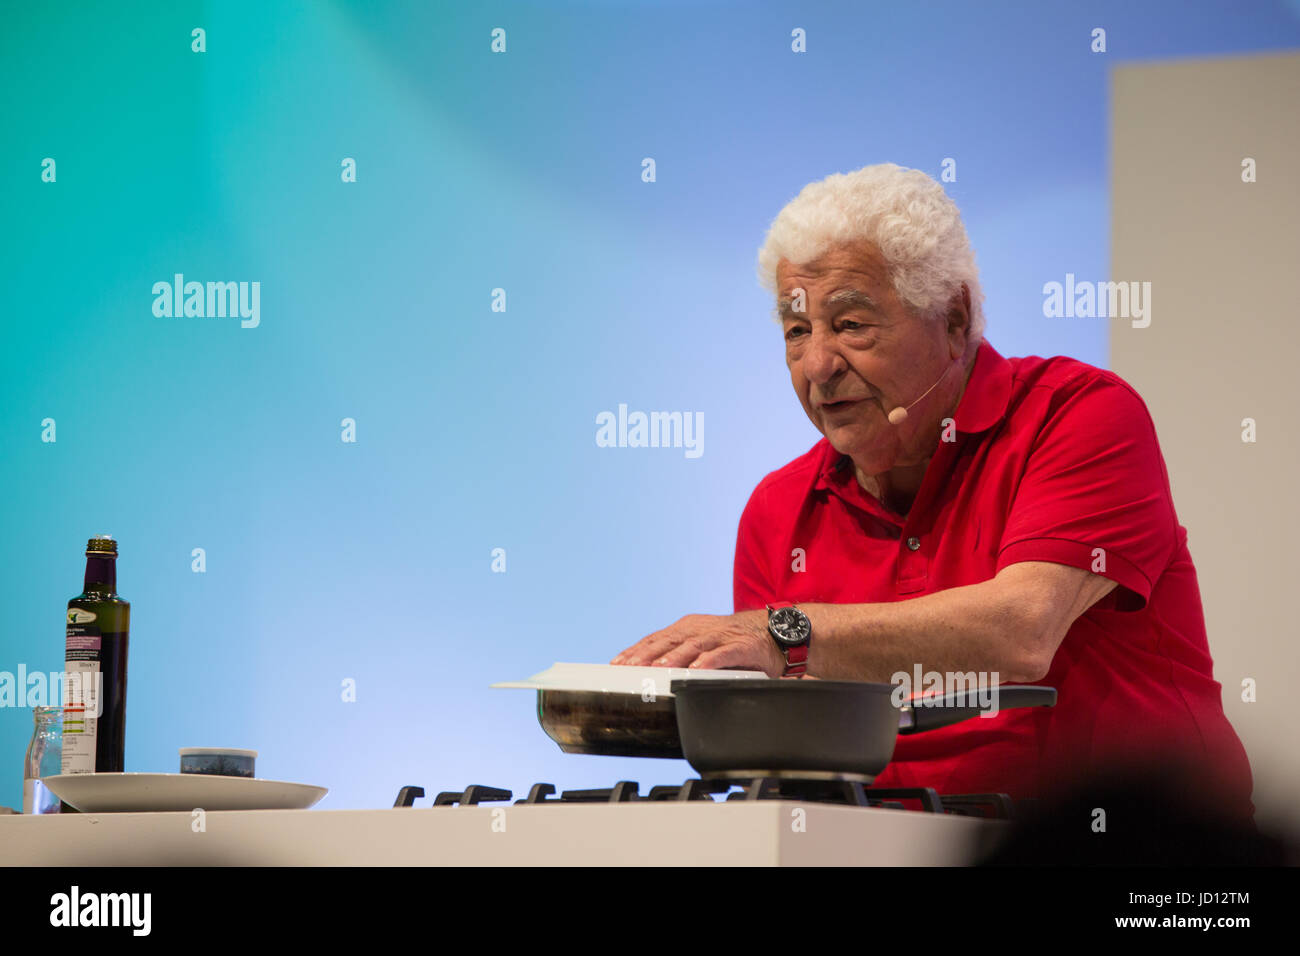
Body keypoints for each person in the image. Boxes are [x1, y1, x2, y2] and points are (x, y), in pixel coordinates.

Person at [611, 163, 1254, 818]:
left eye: (851, 323)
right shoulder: (778, 509)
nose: (817, 366)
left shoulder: (1080, 415)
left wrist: (782, 634)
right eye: (797, 331)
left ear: (954, 319)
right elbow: (788, 749)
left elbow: (1021, 631)